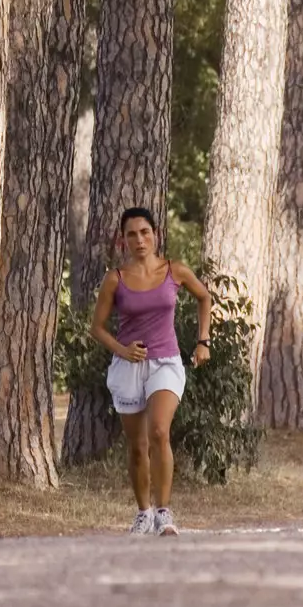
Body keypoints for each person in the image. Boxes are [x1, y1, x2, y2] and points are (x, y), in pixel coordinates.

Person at [90, 207, 213, 536]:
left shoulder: (175, 271)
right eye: (132, 234)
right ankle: (143, 511)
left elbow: (204, 298)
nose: (139, 239)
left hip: (167, 363)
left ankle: (164, 512)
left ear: (156, 234)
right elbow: (97, 328)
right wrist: (122, 349)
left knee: (159, 431)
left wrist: (203, 342)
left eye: (145, 232)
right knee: (137, 445)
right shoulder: (115, 279)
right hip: (128, 366)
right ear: (123, 240)